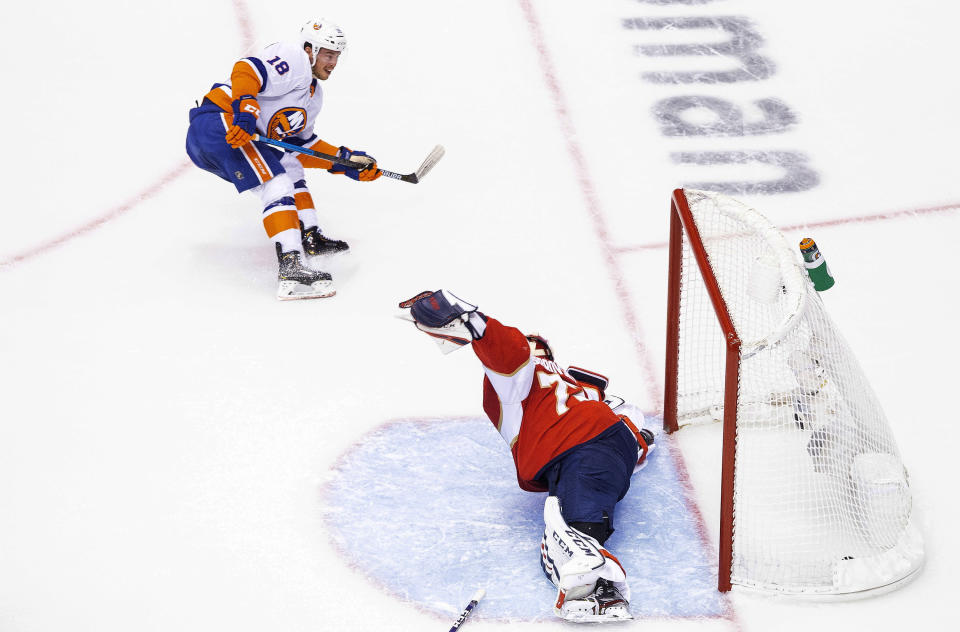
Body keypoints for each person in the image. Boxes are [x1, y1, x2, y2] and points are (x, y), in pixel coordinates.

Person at [399, 290, 655, 622]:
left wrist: (474, 323)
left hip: (580, 448)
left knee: (579, 527)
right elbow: (629, 418)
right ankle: (583, 559)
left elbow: (510, 355)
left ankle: (593, 585)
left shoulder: (522, 375)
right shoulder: (576, 387)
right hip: (609, 445)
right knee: (582, 505)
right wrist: (638, 443)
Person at [186, 18, 381, 300]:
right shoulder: (294, 59)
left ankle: (309, 236)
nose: (333, 62)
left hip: (231, 133)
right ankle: (291, 268)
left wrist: (346, 162)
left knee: (290, 166)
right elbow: (247, 69)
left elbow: (300, 144)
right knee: (277, 184)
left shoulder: (313, 95)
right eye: (328, 54)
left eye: (337, 56)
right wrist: (245, 112)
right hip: (219, 123)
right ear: (310, 49)